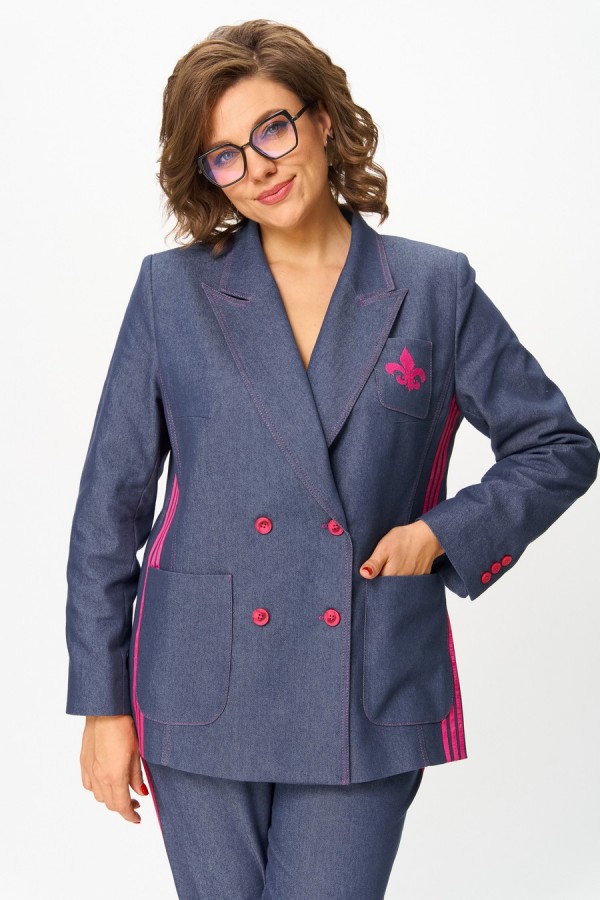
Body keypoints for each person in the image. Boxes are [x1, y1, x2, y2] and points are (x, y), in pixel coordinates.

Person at [64, 18, 599, 900]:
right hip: (199, 679)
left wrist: (441, 534)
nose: (259, 167)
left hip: (362, 679)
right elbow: (108, 512)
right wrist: (101, 703)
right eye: (225, 156)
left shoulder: (433, 287)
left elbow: (557, 446)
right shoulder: (172, 292)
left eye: (272, 129)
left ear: (320, 120)